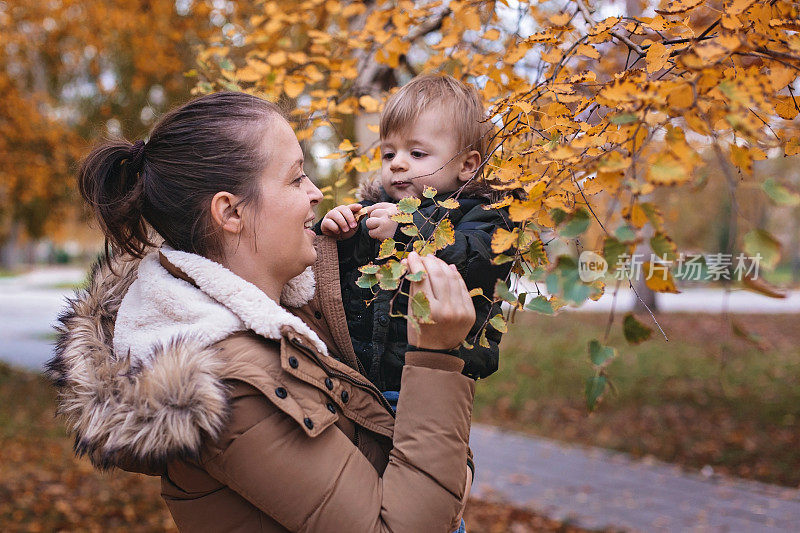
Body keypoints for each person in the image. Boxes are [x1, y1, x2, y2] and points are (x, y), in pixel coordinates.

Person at [46, 91, 477, 532]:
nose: (316, 193)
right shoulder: (230, 386)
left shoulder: (290, 314)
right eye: (296, 179)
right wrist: (436, 363)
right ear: (231, 212)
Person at [318, 74, 513, 399]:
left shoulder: (484, 215)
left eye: (417, 154)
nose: (397, 164)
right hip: (359, 378)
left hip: (433, 381)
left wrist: (410, 227)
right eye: (389, 154)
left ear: (466, 166)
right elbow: (332, 276)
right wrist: (338, 232)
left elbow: (477, 262)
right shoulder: (375, 208)